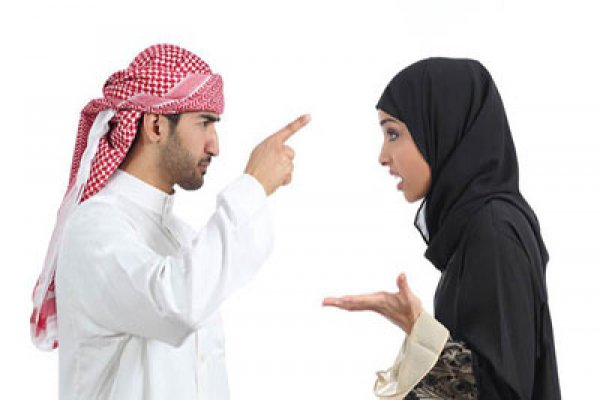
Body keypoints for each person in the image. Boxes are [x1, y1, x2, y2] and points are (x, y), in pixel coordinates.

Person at [29, 43, 310, 400]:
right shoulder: (93, 229)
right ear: (156, 126)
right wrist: (252, 186)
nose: (215, 146)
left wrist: (254, 197)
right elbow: (176, 304)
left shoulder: (181, 237)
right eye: (204, 122)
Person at [324, 58, 560, 399]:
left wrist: (419, 327)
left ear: (441, 127)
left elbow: (501, 392)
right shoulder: (482, 227)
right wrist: (417, 329)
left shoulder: (493, 231)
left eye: (393, 134)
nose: (383, 156)